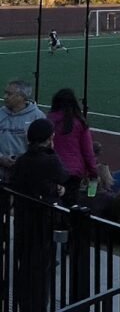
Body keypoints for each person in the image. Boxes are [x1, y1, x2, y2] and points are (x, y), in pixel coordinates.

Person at [8, 118, 67, 312]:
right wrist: (56, 189)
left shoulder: (23, 160)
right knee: (41, 269)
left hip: (23, 221)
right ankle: (37, 306)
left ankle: (24, 304)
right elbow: (62, 177)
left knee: (25, 265)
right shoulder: (50, 160)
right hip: (43, 223)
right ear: (49, 138)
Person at [47, 88, 99, 206]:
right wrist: (93, 173)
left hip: (53, 169)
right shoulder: (79, 122)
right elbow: (88, 152)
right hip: (73, 171)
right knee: (70, 205)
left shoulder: (49, 120)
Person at [0, 80, 46, 183]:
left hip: (26, 175)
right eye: (5, 93)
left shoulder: (37, 117)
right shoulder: (0, 114)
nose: (5, 97)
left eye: (9, 94)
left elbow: (43, 147)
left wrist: (23, 161)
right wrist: (1, 158)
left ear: (22, 97)